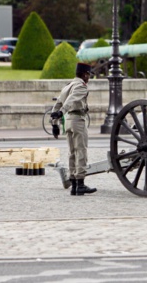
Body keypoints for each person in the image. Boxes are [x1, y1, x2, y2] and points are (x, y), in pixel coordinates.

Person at [50, 63, 97, 196]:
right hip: (78, 120)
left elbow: (57, 103)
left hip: (68, 122)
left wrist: (54, 123)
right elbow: (71, 100)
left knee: (72, 152)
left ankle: (74, 186)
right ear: (84, 74)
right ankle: (80, 184)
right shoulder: (81, 86)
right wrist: (61, 113)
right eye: (88, 75)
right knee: (81, 152)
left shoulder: (67, 86)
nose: (89, 77)